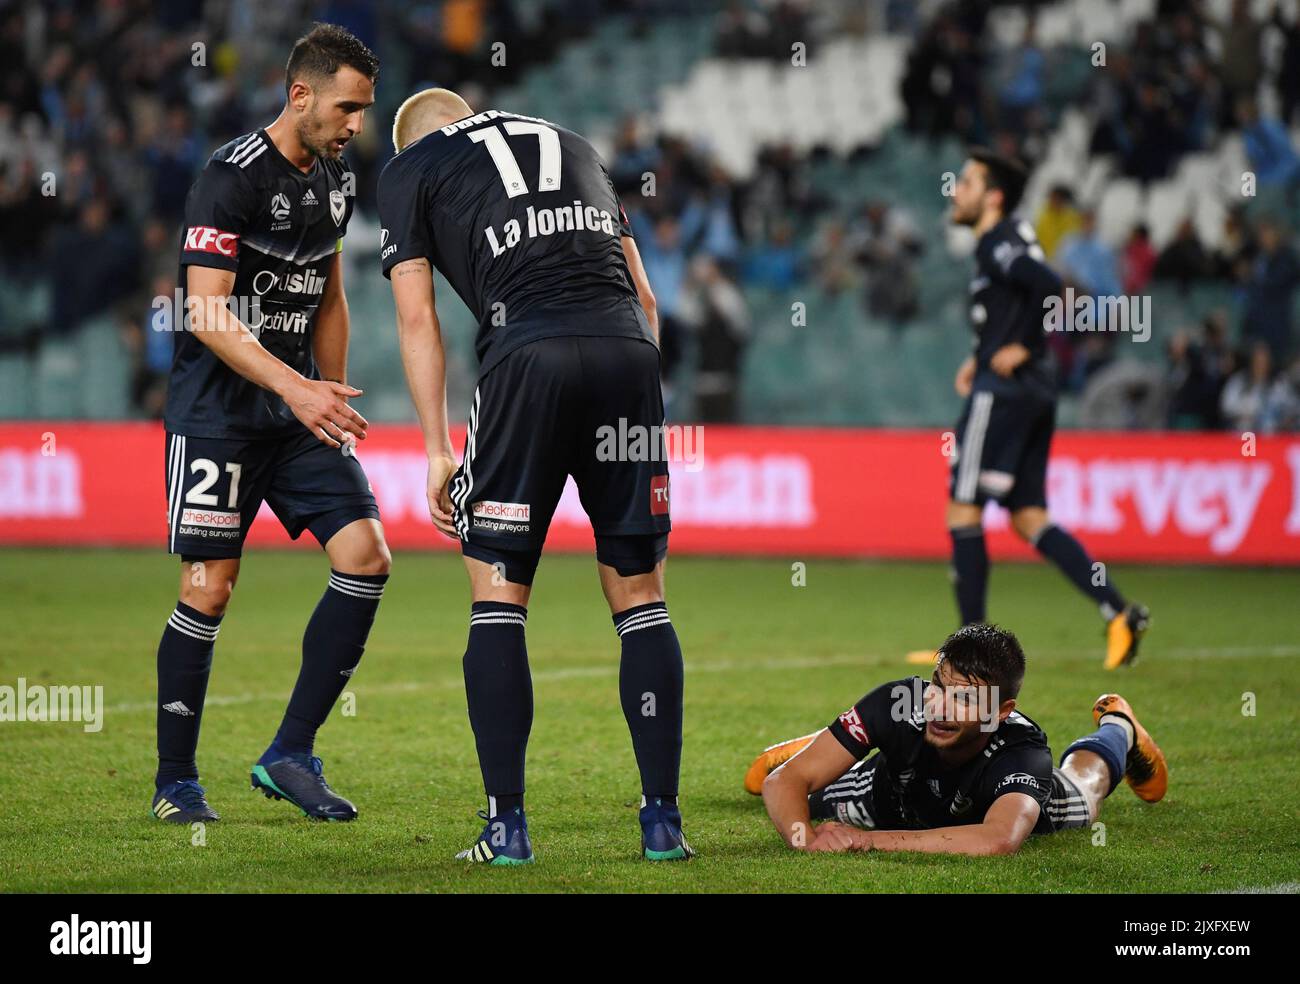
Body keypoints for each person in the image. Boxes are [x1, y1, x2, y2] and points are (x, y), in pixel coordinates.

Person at [378, 88, 690, 863]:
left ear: (412, 140)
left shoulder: (411, 168)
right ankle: (661, 824)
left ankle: (507, 829)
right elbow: (646, 297)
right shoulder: (577, 144)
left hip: (528, 361)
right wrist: (641, 402)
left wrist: (436, 447)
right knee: (642, 596)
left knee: (498, 596)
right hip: (628, 356)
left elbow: (418, 321)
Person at [151, 24, 390, 825]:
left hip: (295, 408)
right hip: (218, 413)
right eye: (347, 107)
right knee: (209, 588)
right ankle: (175, 783)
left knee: (367, 555)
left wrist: (328, 392)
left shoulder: (337, 177)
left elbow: (328, 291)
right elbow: (207, 314)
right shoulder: (229, 178)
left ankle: (289, 751)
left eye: (362, 110)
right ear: (300, 95)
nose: (356, 124)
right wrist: (297, 388)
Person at [944, 149, 1149, 669]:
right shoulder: (1011, 237)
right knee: (1030, 516)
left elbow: (1046, 283)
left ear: (992, 196)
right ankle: (1118, 610)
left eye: (966, 182)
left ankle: (969, 649)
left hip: (1007, 389)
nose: (955, 190)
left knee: (963, 507)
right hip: (1035, 390)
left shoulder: (998, 243)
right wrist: (982, 352)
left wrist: (1023, 348)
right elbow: (1018, 300)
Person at [746, 624, 1168, 856]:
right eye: (938, 686)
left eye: (965, 698)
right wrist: (805, 840)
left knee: (1085, 787)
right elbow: (783, 782)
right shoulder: (901, 702)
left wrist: (863, 840)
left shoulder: (1022, 752)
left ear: (1002, 711)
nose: (941, 708)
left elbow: (998, 839)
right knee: (785, 786)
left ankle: (1119, 727)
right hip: (890, 796)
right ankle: (830, 743)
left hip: (1007, 801)